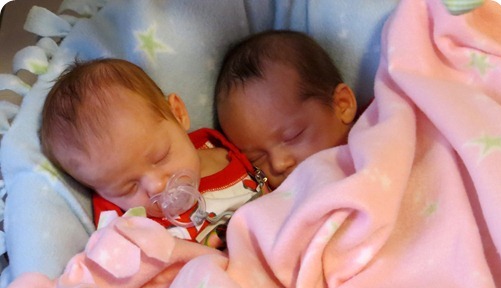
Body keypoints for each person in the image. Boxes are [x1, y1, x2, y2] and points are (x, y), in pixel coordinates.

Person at [39, 58, 266, 250]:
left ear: (178, 114)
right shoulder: (126, 226)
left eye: (160, 157)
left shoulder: (219, 148)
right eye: (127, 187)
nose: (157, 186)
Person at [214, 30, 359, 190]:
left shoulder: (377, 136)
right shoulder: (275, 199)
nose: (278, 164)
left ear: (342, 104)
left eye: (293, 136)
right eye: (256, 158)